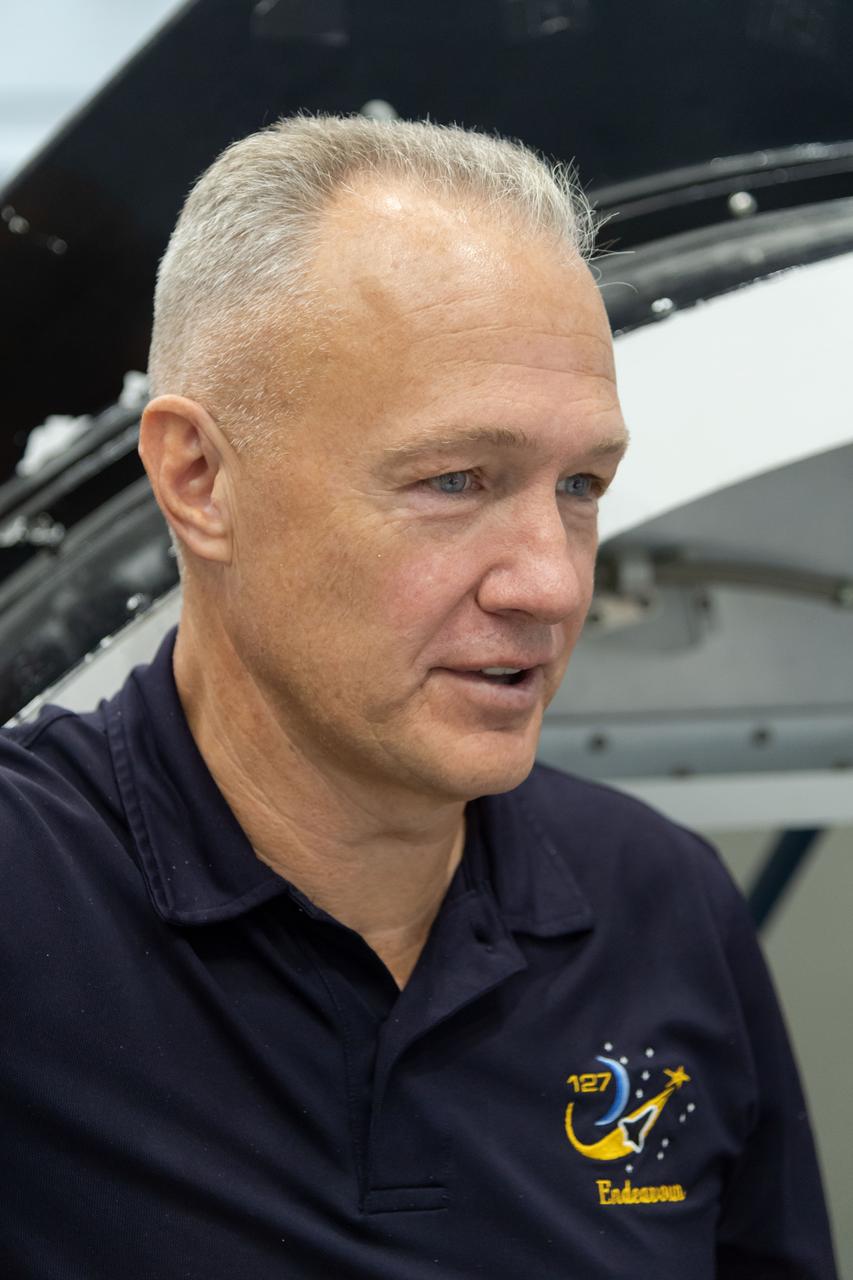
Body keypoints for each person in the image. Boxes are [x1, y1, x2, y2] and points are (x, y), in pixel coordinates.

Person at [0, 114, 837, 1279]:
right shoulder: (29, 900)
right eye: (455, 480)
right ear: (198, 478)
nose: (550, 582)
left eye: (581, 484)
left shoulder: (661, 904)